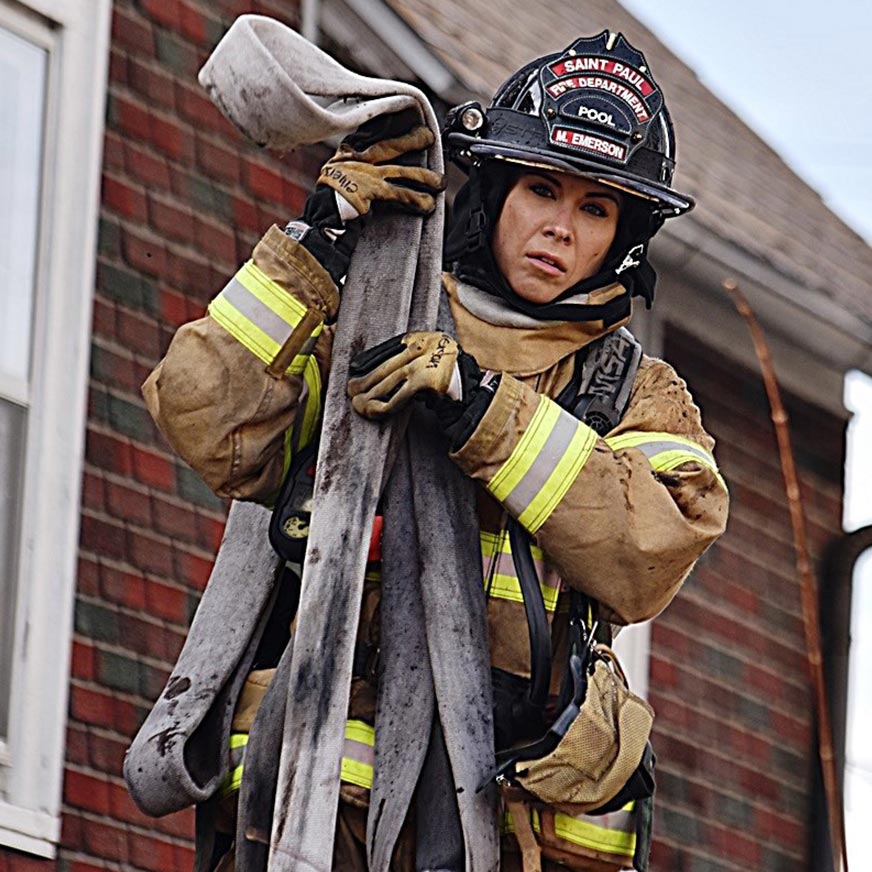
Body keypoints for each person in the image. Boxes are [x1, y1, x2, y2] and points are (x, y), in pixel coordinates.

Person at [142, 30, 728, 872]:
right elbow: (202, 418)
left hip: (517, 817)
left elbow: (651, 550)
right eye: (541, 190)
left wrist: (481, 408)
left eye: (594, 209)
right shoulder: (370, 319)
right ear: (493, 190)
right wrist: (320, 243)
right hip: (320, 811)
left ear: (625, 239)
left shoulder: (634, 390)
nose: (559, 229)